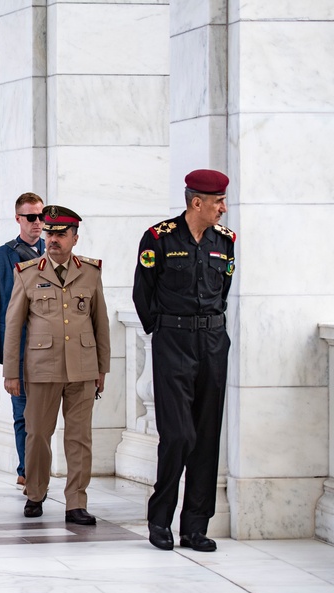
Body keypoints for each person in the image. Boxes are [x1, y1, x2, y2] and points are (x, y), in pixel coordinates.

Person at [133, 169, 234, 553]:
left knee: (206, 437)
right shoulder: (158, 237)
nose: (223, 209)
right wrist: (164, 331)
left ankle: (195, 526)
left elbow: (222, 290)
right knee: (178, 435)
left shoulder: (224, 242)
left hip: (212, 341)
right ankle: (160, 520)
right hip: (173, 342)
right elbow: (143, 292)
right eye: (217, 202)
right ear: (197, 203)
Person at [3, 205, 110, 525]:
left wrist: (102, 368)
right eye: (50, 233)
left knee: (79, 438)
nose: (53, 240)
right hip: (42, 367)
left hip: (82, 367)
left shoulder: (90, 273)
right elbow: (13, 325)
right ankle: (35, 493)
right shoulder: (27, 272)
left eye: (61, 234)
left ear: (75, 238)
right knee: (37, 434)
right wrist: (11, 372)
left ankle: (76, 502)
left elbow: (100, 322)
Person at [0, 193, 47, 488]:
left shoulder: (55, 251)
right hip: (17, 349)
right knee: (22, 415)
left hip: (51, 350)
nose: (38, 223)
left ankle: (36, 470)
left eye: (41, 216)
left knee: (43, 420)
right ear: (18, 218)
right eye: (31, 217)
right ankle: (28, 472)